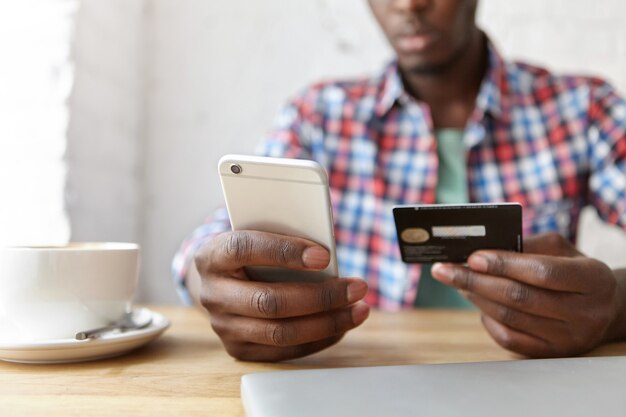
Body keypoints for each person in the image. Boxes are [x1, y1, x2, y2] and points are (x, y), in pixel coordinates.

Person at [172, 0, 626, 362]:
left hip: (536, 378)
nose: (410, 4)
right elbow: (211, 244)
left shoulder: (582, 108)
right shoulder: (320, 116)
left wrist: (616, 306)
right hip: (364, 369)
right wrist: (214, 281)